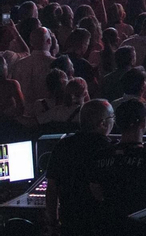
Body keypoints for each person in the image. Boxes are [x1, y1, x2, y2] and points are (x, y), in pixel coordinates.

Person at [45, 100, 114, 236]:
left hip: (70, 224)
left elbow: (52, 189)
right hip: (102, 226)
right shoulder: (110, 149)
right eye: (112, 117)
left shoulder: (62, 146)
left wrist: (53, 223)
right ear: (103, 123)